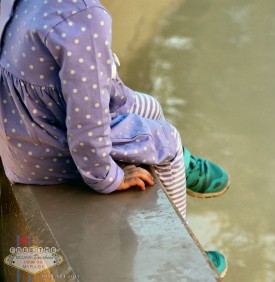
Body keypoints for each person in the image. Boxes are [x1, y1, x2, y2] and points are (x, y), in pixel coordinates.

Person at [0, 0, 229, 278]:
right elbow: (87, 128)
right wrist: (108, 176)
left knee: (150, 106)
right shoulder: (85, 18)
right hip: (48, 145)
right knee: (167, 141)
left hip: (21, 130)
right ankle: (178, 251)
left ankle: (184, 166)